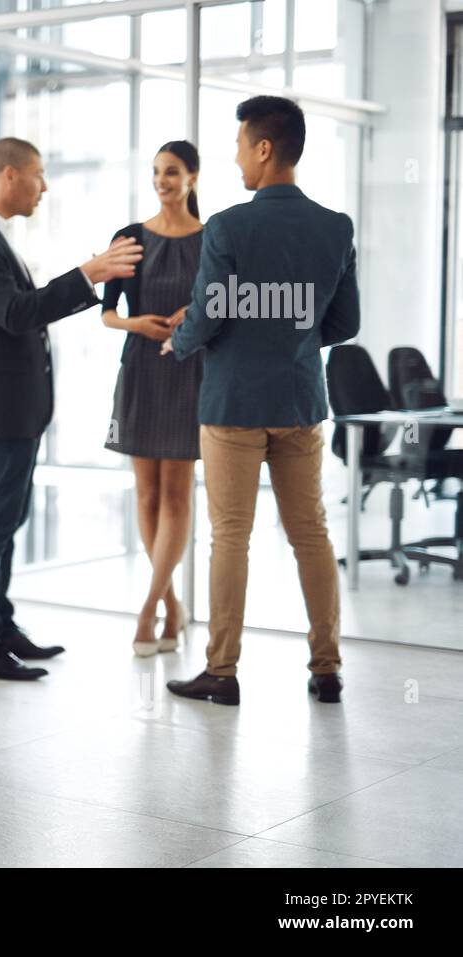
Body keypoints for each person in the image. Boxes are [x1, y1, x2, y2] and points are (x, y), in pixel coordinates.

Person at [163, 95, 360, 706]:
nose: (237, 157)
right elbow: (345, 323)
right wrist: (293, 338)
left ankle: (222, 673)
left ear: (265, 148)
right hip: (300, 400)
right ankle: (326, 669)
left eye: (243, 144)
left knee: (230, 536)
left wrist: (180, 339)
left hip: (232, 406)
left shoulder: (227, 226)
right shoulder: (335, 227)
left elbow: (210, 314)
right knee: (312, 534)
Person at [0, 137, 143, 681]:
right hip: (3, 404)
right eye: (38, 174)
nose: (44, 186)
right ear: (9, 176)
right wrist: (89, 274)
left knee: (9, 516)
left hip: (17, 404)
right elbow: (13, 313)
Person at [101, 141, 204, 656]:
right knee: (146, 494)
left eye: (173, 172)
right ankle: (172, 606)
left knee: (178, 494)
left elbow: (222, 303)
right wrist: (134, 323)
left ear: (193, 178)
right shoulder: (131, 237)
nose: (162, 180)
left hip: (189, 370)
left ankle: (148, 608)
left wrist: (195, 314)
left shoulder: (212, 240)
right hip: (141, 366)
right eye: (157, 172)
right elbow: (107, 313)